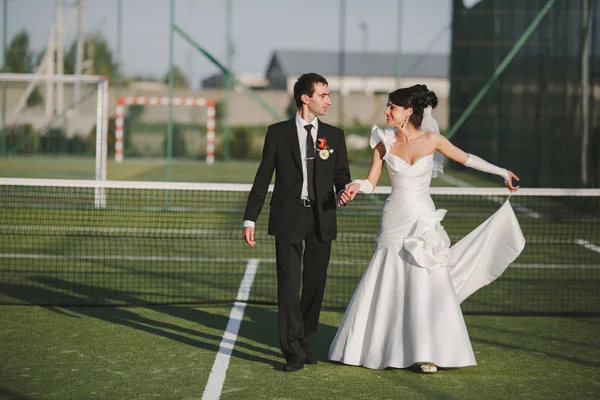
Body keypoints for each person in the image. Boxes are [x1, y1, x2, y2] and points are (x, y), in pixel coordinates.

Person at [328, 85, 526, 373]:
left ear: (408, 112)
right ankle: (381, 348)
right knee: (389, 282)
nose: (386, 112)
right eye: (387, 107)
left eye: (391, 108)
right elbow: (371, 181)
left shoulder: (433, 139)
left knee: (424, 284)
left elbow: (467, 159)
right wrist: (356, 185)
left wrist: (502, 173)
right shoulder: (382, 141)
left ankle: (426, 353)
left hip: (422, 218)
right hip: (393, 219)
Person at [242, 73, 352, 372]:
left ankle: (306, 344)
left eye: (328, 95)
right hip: (288, 218)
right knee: (289, 287)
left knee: (315, 286)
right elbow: (263, 177)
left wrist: (344, 190)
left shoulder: (335, 135)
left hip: (322, 219)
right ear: (306, 98)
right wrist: (250, 217)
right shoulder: (277, 134)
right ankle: (292, 352)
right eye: (323, 95)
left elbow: (342, 175)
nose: (328, 100)